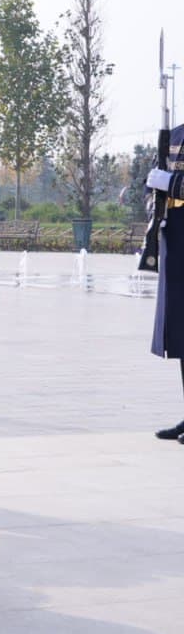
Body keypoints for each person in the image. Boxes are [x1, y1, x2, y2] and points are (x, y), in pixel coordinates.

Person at [147, 128, 184, 441]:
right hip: (176, 238)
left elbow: (171, 181)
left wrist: (168, 182)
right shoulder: (174, 135)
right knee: (182, 335)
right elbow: (152, 181)